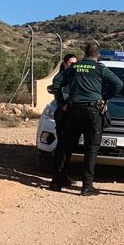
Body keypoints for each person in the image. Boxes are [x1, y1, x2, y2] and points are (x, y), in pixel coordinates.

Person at [52, 42, 124, 195]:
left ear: (84, 53)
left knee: (66, 146)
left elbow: (57, 82)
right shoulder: (100, 68)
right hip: (92, 111)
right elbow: (118, 83)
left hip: (73, 110)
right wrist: (105, 97)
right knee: (91, 148)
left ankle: (57, 182)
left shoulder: (74, 68)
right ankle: (87, 186)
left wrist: (62, 103)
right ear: (98, 55)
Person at [47, 52, 78, 186]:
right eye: (71, 63)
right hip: (64, 113)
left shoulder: (76, 76)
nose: (73, 66)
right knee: (61, 146)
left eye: (76, 63)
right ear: (65, 63)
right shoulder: (61, 77)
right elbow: (56, 90)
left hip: (74, 113)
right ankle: (57, 176)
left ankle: (64, 175)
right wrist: (63, 104)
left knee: (69, 147)